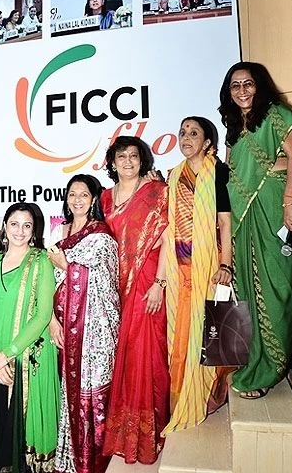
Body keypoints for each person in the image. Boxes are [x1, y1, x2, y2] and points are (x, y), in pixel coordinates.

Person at [218, 61, 292, 399]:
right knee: (248, 290)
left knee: (280, 290)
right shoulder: (234, 126)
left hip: (276, 210)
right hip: (245, 216)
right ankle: (255, 363)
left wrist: (288, 203)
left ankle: (271, 367)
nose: (242, 90)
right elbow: (232, 171)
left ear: (259, 86)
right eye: (235, 85)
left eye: (248, 83)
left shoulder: (276, 113)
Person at [0, 202, 60, 472]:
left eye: (27, 225)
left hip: (30, 352)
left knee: (26, 425)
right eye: (15, 224)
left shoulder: (41, 261)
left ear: (34, 230)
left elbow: (42, 315)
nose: (20, 231)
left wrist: (7, 354)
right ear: (5, 226)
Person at [101, 136, 170, 464]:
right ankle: (124, 434)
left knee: (148, 355)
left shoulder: (157, 191)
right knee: (124, 358)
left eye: (133, 155)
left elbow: (168, 239)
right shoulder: (104, 198)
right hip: (116, 288)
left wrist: (160, 283)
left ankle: (149, 434)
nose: (127, 161)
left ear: (142, 160)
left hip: (147, 282)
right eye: (121, 156)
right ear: (112, 162)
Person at [162, 117, 232, 433]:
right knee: (181, 335)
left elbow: (225, 223)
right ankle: (181, 396)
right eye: (182, 133)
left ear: (207, 143)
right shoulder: (174, 176)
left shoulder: (218, 172)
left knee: (211, 330)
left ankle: (207, 395)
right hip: (180, 268)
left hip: (209, 265)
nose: (186, 137)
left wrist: (225, 265)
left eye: (194, 133)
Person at [47, 174, 120, 473]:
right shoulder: (60, 232)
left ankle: (94, 462)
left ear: (93, 200)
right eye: (72, 194)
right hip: (65, 328)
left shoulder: (101, 236)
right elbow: (48, 284)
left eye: (84, 194)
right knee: (69, 393)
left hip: (95, 335)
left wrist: (67, 265)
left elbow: (106, 282)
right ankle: (71, 461)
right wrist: (52, 321)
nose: (77, 199)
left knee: (93, 393)